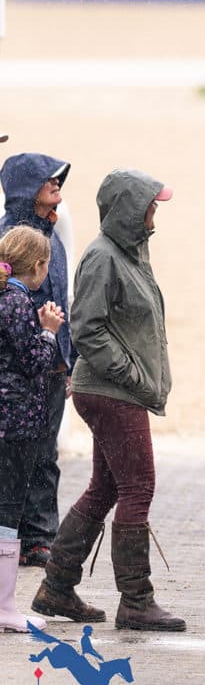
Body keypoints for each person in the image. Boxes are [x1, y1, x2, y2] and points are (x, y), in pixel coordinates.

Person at [31, 169, 183, 631]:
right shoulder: (103, 258)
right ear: (129, 211)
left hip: (115, 390)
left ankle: (56, 587)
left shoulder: (131, 253)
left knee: (107, 486)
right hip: (111, 392)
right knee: (139, 487)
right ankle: (136, 600)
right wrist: (133, 375)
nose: (155, 213)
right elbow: (87, 328)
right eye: (150, 206)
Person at [0, 152, 74, 569]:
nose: (57, 185)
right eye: (49, 180)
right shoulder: (9, 240)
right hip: (22, 370)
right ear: (28, 188)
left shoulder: (55, 238)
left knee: (46, 456)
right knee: (20, 459)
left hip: (52, 363)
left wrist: (68, 358)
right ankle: (24, 539)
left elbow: (62, 304)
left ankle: (40, 538)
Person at [0, 225, 64, 632]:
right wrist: (49, 331)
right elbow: (33, 361)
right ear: (38, 267)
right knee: (8, 514)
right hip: (16, 424)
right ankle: (5, 607)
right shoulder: (17, 302)